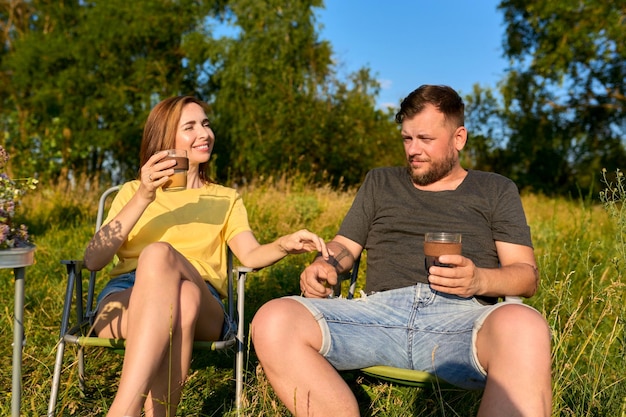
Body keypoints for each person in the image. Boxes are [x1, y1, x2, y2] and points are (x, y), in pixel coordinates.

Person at [251, 85, 552, 417]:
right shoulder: (380, 182)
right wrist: (326, 264)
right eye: (407, 139)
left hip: (461, 322)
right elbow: (344, 246)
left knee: (526, 325)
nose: (413, 150)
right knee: (272, 319)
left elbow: (526, 277)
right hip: (377, 317)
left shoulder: (495, 189)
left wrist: (479, 280)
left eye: (425, 139)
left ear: (459, 139)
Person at [83, 96, 328, 417]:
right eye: (190, 126)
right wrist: (145, 194)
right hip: (126, 300)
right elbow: (93, 260)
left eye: (206, 124)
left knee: (161, 257)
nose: (204, 132)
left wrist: (283, 244)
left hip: (205, 303)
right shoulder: (133, 191)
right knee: (179, 298)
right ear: (166, 140)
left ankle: (123, 410)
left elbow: (249, 254)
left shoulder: (224, 198)